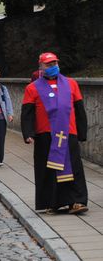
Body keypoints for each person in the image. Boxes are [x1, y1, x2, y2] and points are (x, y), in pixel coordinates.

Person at [21, 52, 88, 215]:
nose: (53, 67)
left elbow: (79, 110)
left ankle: (76, 201)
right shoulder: (32, 88)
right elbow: (27, 113)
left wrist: (82, 132)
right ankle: (53, 203)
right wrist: (28, 133)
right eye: (49, 65)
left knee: (73, 167)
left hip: (68, 132)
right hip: (45, 135)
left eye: (55, 64)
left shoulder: (71, 84)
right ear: (41, 67)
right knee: (49, 170)